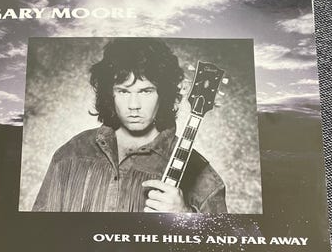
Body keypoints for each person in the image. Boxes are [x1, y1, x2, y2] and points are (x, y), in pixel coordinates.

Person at [32, 38, 227, 213]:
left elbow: (224, 240)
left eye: (146, 91)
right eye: (124, 92)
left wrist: (184, 215)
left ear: (164, 95)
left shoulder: (201, 175)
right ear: (110, 94)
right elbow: (38, 232)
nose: (134, 105)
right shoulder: (71, 154)